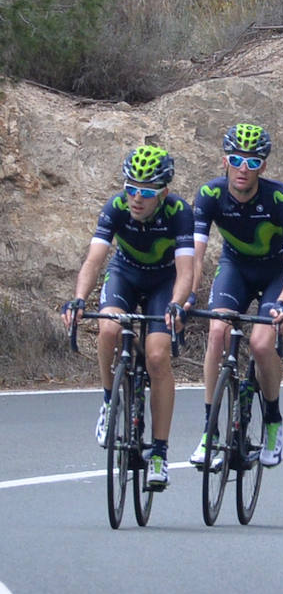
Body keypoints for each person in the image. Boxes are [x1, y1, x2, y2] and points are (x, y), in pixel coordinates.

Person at [62, 145, 194, 488]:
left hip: (164, 283)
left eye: (146, 192)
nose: (136, 198)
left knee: (156, 356)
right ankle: (109, 400)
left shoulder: (179, 212)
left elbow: (185, 270)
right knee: (108, 329)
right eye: (130, 187)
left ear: (163, 193)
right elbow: (94, 260)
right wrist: (78, 299)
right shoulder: (116, 207)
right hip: (126, 275)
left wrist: (177, 304)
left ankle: (160, 453)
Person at [188, 123, 283, 469]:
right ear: (224, 160)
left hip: (276, 273)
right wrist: (189, 294)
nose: (244, 168)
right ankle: (210, 431)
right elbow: (195, 256)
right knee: (217, 332)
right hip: (236, 269)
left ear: (263, 167)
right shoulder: (209, 195)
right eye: (237, 159)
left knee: (260, 343)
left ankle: (272, 419)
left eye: (253, 162)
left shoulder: (281, 199)